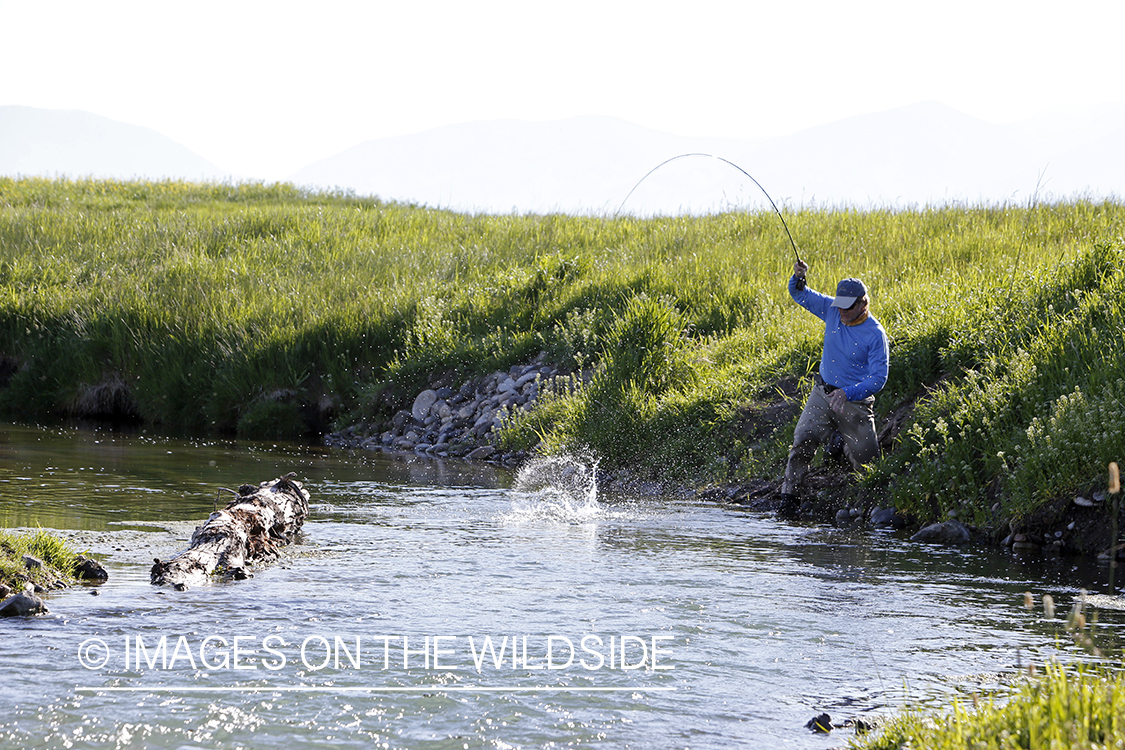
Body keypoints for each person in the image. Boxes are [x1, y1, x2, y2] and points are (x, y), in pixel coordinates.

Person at [780, 259, 889, 517]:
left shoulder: (875, 334)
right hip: (822, 394)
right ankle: (789, 498)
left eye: (848, 308)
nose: (841, 312)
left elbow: (879, 378)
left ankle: (866, 501)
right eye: (839, 306)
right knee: (802, 441)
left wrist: (848, 393)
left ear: (863, 303)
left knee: (869, 463)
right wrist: (798, 277)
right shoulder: (831, 308)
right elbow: (799, 294)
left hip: (855, 403)